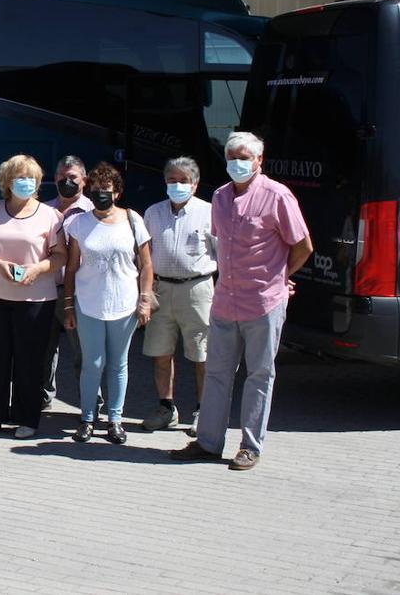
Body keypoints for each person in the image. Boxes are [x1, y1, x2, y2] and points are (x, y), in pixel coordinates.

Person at [172, 132, 312, 471]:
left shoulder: (277, 196)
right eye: (232, 156)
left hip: (264, 302)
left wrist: (280, 277)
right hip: (225, 302)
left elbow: (303, 245)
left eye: (245, 157)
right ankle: (207, 442)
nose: (237, 163)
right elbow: (222, 246)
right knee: (217, 373)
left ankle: (250, 446)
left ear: (259, 160)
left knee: (260, 375)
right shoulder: (220, 197)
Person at [0, 155, 66, 438]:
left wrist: (38, 268)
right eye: (19, 177)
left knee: (30, 361)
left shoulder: (50, 215)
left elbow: (61, 256)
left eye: (30, 178)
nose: (25, 183)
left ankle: (28, 418)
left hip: (37, 300)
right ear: (7, 181)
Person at [63, 162, 153, 445]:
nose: (102, 194)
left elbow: (147, 264)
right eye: (97, 190)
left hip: (124, 304)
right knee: (93, 363)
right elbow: (71, 267)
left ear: (118, 192)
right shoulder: (79, 223)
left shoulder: (133, 220)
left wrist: (145, 300)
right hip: (88, 303)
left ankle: (115, 420)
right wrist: (68, 305)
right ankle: (87, 419)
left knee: (118, 363)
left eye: (107, 190)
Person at [141, 157, 216, 435]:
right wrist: (144, 292)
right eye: (172, 180)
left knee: (202, 354)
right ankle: (165, 407)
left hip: (197, 289)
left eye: (183, 180)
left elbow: (224, 254)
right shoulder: (153, 212)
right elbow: (144, 256)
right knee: (160, 352)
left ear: (195, 184)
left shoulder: (210, 213)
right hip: (161, 288)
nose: (177, 185)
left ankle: (203, 410)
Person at [42, 155, 93, 411]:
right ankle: (42, 397)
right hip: (46, 289)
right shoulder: (45, 210)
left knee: (83, 352)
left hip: (78, 293)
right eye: (62, 177)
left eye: (72, 177)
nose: (66, 181)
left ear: (84, 180)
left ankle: (90, 402)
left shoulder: (93, 212)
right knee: (43, 349)